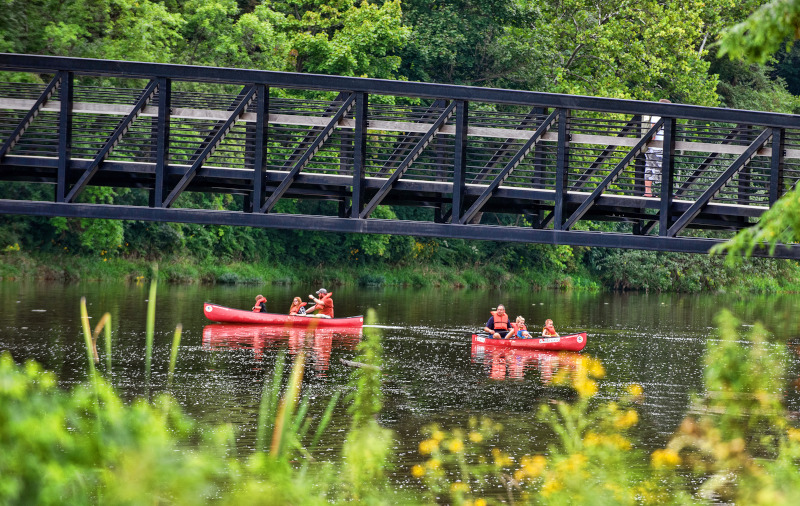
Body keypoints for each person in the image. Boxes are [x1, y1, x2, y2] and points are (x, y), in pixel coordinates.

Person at [642, 98, 671, 197]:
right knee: (657, 168)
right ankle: (651, 192)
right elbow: (653, 131)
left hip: (658, 147)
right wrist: (652, 143)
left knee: (652, 168)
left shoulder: (658, 115)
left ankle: (649, 192)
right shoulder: (657, 116)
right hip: (656, 148)